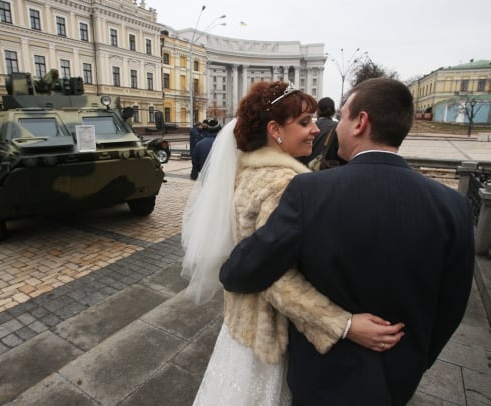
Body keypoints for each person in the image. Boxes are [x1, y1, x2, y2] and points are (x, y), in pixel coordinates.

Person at [220, 78, 475, 405]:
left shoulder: (308, 191)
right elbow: (452, 305)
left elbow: (252, 266)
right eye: (306, 122)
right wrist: (414, 359)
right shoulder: (454, 206)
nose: (324, 128)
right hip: (398, 374)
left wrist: (229, 270)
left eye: (341, 116)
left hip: (320, 375)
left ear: (361, 122)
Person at [182, 81, 404, 405]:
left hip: (244, 324)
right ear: (275, 130)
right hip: (271, 335)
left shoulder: (248, 172)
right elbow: (273, 278)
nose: (315, 129)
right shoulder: (283, 184)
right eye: (304, 122)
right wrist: (342, 324)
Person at [298, 96, 345, 168]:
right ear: (334, 111)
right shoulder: (338, 128)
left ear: (318, 111)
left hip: (306, 170)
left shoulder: (308, 127)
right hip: (329, 171)